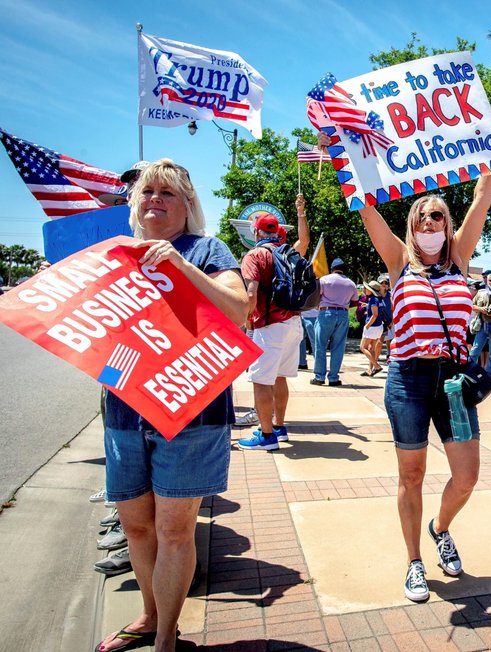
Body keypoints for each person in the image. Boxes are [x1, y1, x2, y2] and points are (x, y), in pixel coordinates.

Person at [96, 159, 249, 652]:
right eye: (147, 192)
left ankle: (166, 637)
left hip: (191, 413)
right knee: (137, 527)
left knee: (173, 530)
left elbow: (238, 310)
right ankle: (148, 614)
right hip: (123, 410)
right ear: (133, 204)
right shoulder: (113, 254)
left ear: (188, 206)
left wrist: (180, 267)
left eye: (167, 193)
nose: (155, 199)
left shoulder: (207, 249)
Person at [356, 118, 491, 602]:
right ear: (411, 225)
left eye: (438, 216)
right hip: (408, 380)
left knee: (466, 476)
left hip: (454, 384)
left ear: (448, 223)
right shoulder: (399, 262)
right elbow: (366, 207)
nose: (429, 224)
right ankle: (414, 562)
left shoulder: (460, 258)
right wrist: (347, 153)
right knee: (412, 475)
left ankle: (440, 529)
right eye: (422, 217)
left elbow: (483, 195)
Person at [236, 196, 310, 451]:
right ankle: (279, 427)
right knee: (280, 378)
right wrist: (300, 212)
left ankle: (266, 436)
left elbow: (251, 294)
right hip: (294, 323)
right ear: (277, 232)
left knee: (261, 381)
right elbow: (306, 241)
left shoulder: (254, 255)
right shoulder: (287, 252)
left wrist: (247, 321)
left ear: (256, 231)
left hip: (269, 327)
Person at [312, 257, 358, 386]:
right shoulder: (351, 283)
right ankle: (333, 378)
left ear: (332, 268)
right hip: (343, 314)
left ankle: (319, 377)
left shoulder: (324, 280)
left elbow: (316, 297)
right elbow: (355, 302)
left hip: (326, 313)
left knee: (320, 345)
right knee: (338, 347)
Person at [359, 280, 384, 376]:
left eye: (367, 289)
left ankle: (376, 366)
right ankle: (371, 369)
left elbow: (375, 314)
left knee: (363, 347)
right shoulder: (378, 299)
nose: (365, 290)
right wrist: (367, 305)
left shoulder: (373, 300)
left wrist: (367, 325)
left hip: (372, 327)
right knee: (371, 348)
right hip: (378, 327)